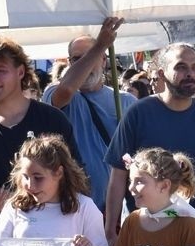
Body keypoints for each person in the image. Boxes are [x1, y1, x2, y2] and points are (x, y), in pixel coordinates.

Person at [104, 44, 195, 246]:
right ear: (162, 74)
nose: (190, 74)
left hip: (192, 237)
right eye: (181, 67)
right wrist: (110, 231)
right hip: (142, 236)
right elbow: (118, 176)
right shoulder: (138, 114)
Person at [0, 35, 80, 228]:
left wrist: (44, 210)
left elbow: (75, 175)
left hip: (58, 231)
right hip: (0, 235)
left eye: (0, 71)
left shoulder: (52, 119)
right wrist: (28, 205)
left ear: (20, 71)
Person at [45, 17, 134, 212]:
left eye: (92, 56)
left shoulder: (126, 101)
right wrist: (100, 45)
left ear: (104, 60)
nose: (86, 63)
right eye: (77, 59)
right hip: (72, 207)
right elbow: (66, 90)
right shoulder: (55, 93)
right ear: (69, 63)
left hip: (117, 210)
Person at [0, 135, 106, 246]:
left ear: (59, 173)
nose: (30, 185)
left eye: (38, 178)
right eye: (25, 177)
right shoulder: (14, 207)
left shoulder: (84, 207)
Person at [113, 147, 195, 246]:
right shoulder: (132, 220)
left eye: (139, 181)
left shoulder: (188, 223)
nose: (131, 188)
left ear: (164, 186)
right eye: (131, 181)